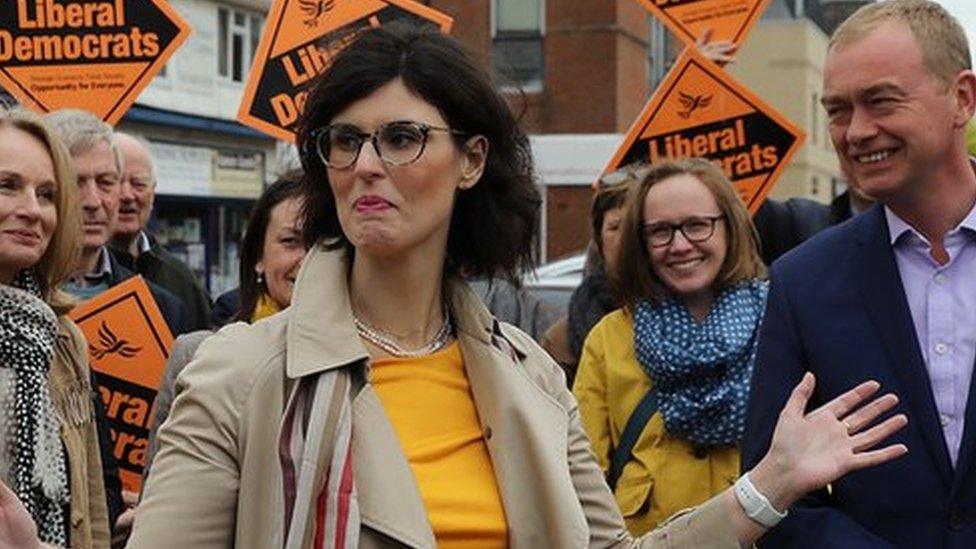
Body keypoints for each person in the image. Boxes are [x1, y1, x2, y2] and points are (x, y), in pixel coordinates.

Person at [107, 24, 908, 548]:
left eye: (402, 137)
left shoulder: (527, 374)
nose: (366, 165)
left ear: (473, 160)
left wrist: (765, 487)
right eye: (343, 141)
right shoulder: (240, 372)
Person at [742, 1, 976, 546]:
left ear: (961, 97)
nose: (856, 132)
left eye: (880, 101)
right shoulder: (803, 282)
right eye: (838, 110)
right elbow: (772, 491)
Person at [572, 158, 766, 535]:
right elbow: (582, 473)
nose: (679, 245)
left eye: (697, 225)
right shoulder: (609, 338)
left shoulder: (780, 322)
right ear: (640, 243)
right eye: (660, 231)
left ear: (729, 226)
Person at [143, 170, 307, 478]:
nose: (308, 258)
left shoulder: (373, 364)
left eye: (325, 243)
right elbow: (159, 489)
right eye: (290, 241)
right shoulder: (195, 356)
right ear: (258, 255)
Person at [0, 107, 110, 547]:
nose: (32, 210)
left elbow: (93, 507)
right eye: (7, 186)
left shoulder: (61, 340)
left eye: (46, 194)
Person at [43, 110, 188, 337]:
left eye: (105, 182)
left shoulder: (162, 309)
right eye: (75, 182)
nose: (93, 201)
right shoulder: (12, 299)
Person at [108, 133, 212, 331]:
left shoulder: (182, 279)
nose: (127, 195)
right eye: (114, 182)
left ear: (153, 193)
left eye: (138, 184)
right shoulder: (77, 276)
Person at [542, 167, 634, 385]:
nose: (626, 238)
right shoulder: (562, 340)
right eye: (614, 227)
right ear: (599, 241)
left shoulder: (699, 311)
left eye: (635, 225)